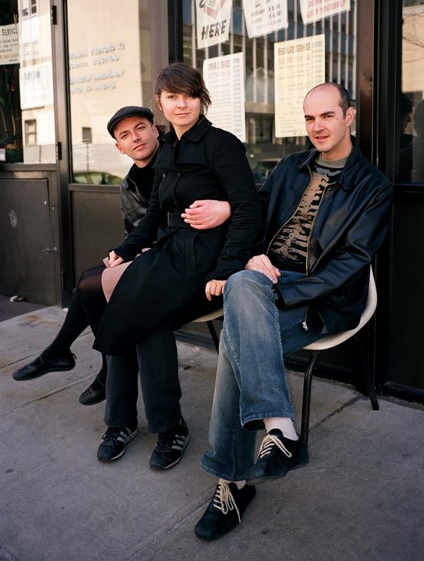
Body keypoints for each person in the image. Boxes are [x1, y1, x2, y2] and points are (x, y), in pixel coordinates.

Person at [194, 82, 393, 541]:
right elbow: (256, 218)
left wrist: (283, 292)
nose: (317, 127)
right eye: (309, 118)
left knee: (235, 342)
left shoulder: (373, 187)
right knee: (244, 283)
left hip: (320, 299)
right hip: (264, 283)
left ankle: (232, 482)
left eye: (327, 116)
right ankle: (279, 428)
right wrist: (252, 255)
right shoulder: (289, 167)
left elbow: (349, 263)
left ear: (349, 117)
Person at [91, 62, 261, 470]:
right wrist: (127, 248)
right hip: (171, 252)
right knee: (139, 313)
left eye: (188, 95)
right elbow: (154, 213)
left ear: (201, 98)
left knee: (131, 306)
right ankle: (141, 424)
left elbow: (248, 209)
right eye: (172, 97)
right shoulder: (168, 148)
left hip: (206, 258)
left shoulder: (222, 144)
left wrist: (226, 268)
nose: (181, 104)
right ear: (160, 103)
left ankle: (137, 422)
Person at [12, 106, 230, 409]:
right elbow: (138, 230)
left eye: (140, 128)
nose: (135, 138)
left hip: (187, 262)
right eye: (125, 135)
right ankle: (90, 365)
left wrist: (225, 209)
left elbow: (213, 211)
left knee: (92, 284)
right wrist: (126, 253)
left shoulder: (181, 161)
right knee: (93, 281)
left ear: (155, 130)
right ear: (119, 147)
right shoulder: (129, 185)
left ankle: (82, 361)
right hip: (155, 258)